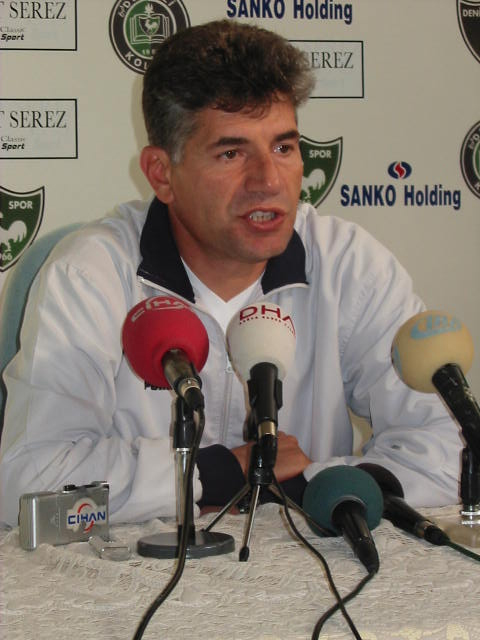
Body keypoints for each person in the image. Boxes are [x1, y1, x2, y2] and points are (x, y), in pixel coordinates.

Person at [0, 20, 462, 527]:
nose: (269, 181)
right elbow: (26, 486)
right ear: (162, 174)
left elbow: (449, 451)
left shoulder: (350, 266)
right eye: (231, 153)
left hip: (308, 568)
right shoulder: (90, 275)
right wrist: (218, 475)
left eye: (284, 148)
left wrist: (312, 486)